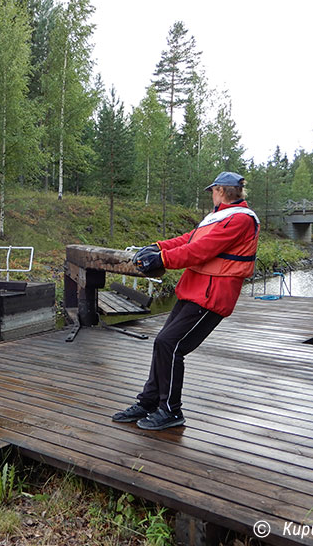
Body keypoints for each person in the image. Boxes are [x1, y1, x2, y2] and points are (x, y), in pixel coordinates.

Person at [112, 171, 259, 430]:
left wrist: (163, 260)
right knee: (163, 344)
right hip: (195, 290)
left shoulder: (240, 220)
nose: (212, 195)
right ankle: (148, 402)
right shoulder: (219, 217)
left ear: (221, 192)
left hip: (212, 295)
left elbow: (201, 249)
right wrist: (158, 247)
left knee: (171, 345)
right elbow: (189, 239)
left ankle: (170, 411)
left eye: (213, 191)